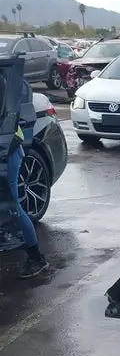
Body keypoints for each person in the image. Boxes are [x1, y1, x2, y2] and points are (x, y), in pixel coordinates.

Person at [6, 89, 49, 279]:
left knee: (12, 204)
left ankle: (36, 257)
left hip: (8, 151)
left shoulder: (5, 79)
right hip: (10, 147)